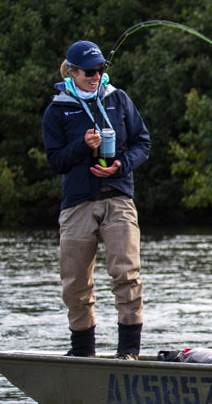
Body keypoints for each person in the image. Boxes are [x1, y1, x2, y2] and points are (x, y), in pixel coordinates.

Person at [42, 40, 152, 359]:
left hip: (118, 197)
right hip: (78, 203)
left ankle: (128, 351)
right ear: (72, 72)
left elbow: (142, 143)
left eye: (100, 69)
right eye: (89, 71)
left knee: (126, 274)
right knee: (75, 283)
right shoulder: (57, 110)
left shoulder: (118, 99)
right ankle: (83, 353)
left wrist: (121, 165)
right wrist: (82, 145)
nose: (95, 76)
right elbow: (56, 162)